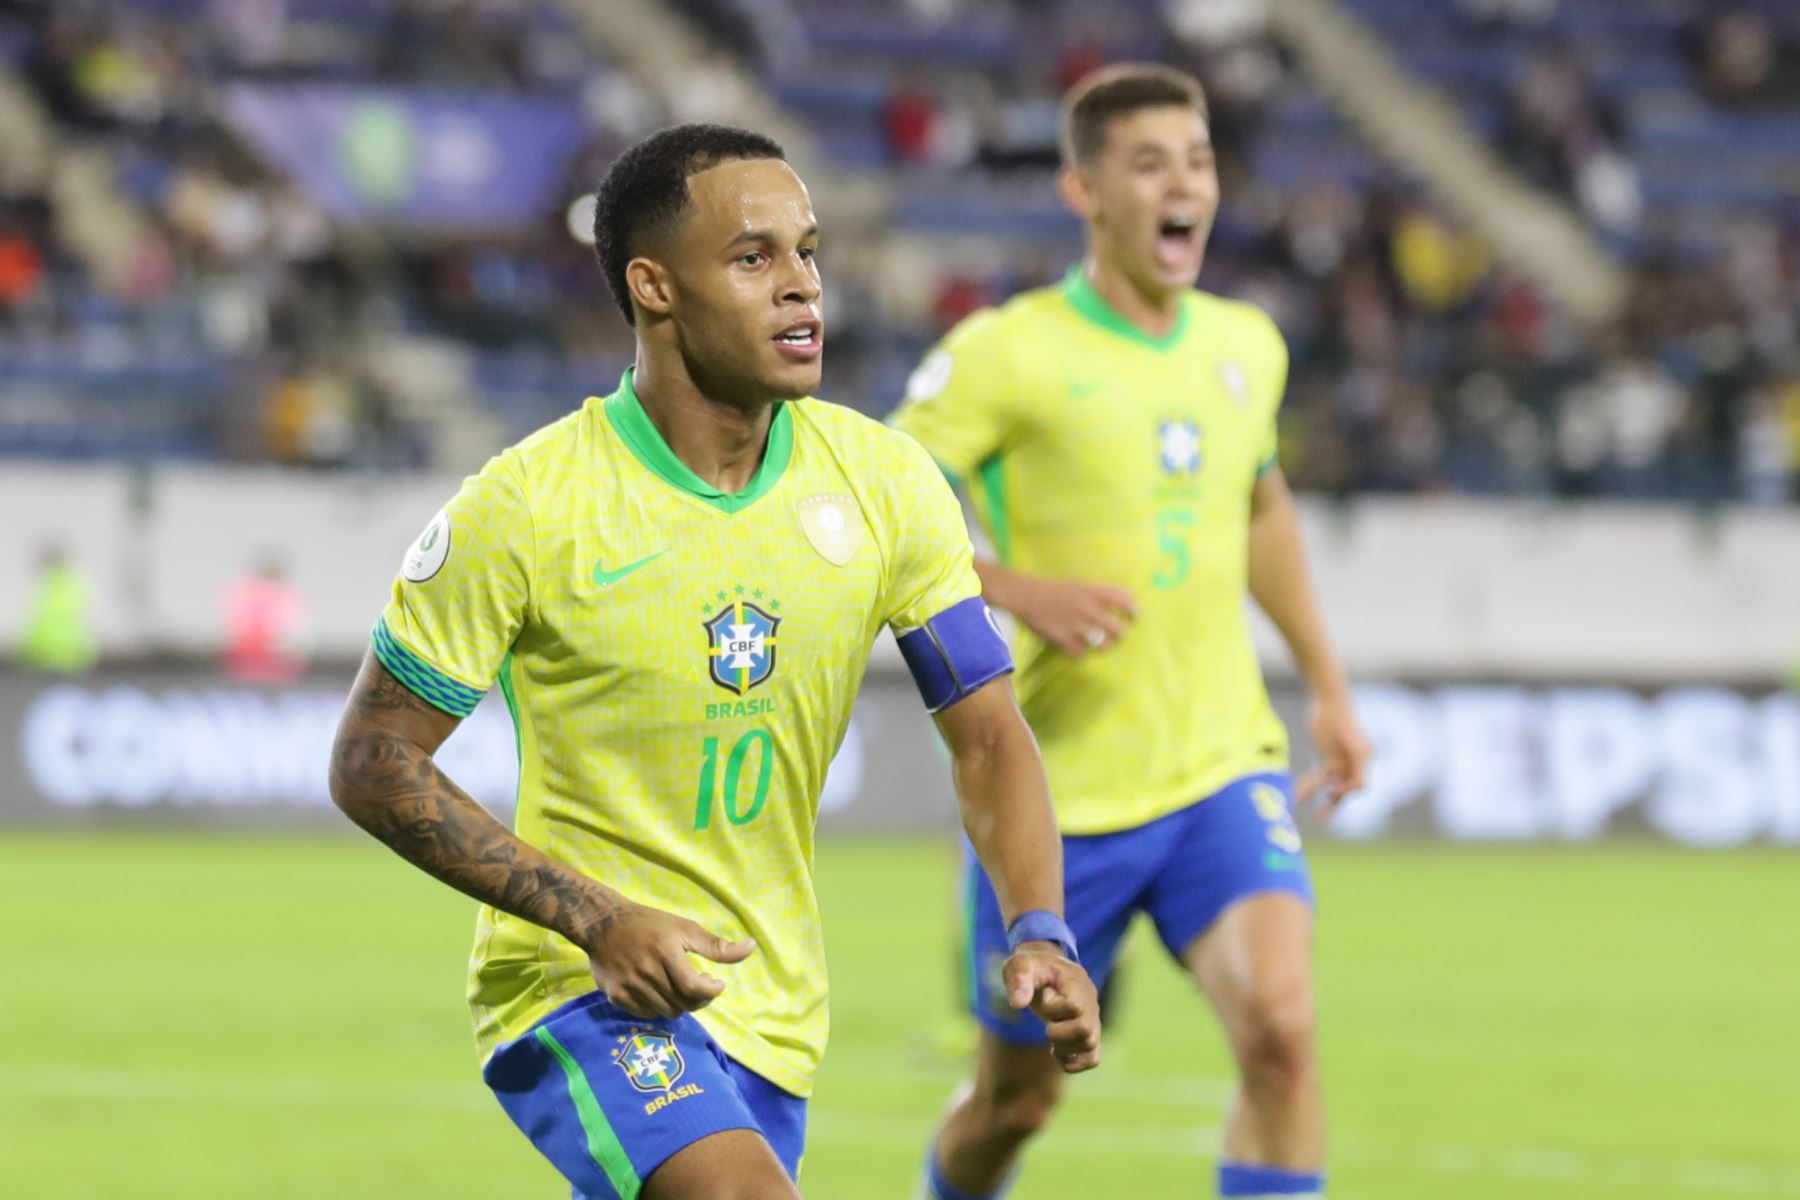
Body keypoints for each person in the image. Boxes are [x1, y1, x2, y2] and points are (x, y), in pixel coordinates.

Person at [327, 123, 1100, 1200]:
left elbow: (987, 735)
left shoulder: (887, 484)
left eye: (809, 252)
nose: (802, 288)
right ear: (655, 287)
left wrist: (1041, 928)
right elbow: (372, 760)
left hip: (769, 1005)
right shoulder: (529, 504)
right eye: (754, 258)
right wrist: (594, 918)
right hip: (580, 987)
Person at [892, 65, 1371, 1200]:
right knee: (1020, 1103)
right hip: (1055, 803)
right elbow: (870, 507)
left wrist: (1330, 688)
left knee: (1282, 1035)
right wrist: (1012, 586)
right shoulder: (1009, 351)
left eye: (1198, 161)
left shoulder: (1246, 344)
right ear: (1084, 190)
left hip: (1219, 765)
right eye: (1150, 163)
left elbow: (1258, 506)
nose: (1183, 185)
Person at [17, 543, 97, 675]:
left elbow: (35, 624)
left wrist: (24, 654)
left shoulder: (45, 586)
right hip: (75, 660)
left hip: (45, 659)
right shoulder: (76, 584)